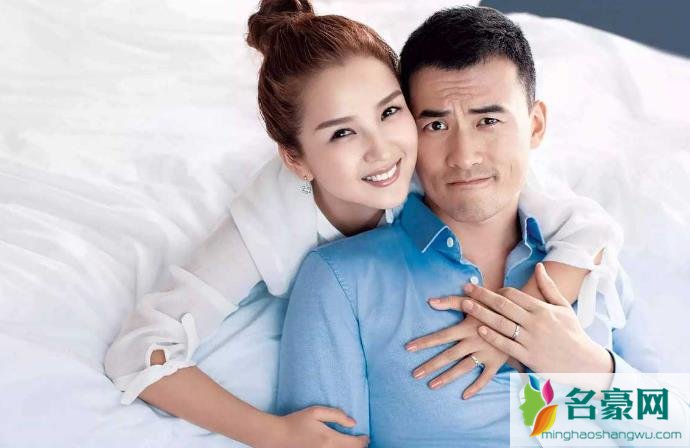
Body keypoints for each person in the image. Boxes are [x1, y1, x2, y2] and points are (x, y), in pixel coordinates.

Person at [105, 1, 624, 447]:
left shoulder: (529, 219)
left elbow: (659, 416)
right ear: (296, 159)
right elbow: (141, 349)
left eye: (390, 113)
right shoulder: (310, 256)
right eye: (341, 133)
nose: (382, 151)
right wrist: (272, 432)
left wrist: (554, 348)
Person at [275, 6, 660, 447]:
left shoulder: (589, 263)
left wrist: (588, 367)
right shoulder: (342, 281)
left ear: (535, 126)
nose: (464, 155)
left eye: (488, 121)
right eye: (436, 124)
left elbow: (677, 427)